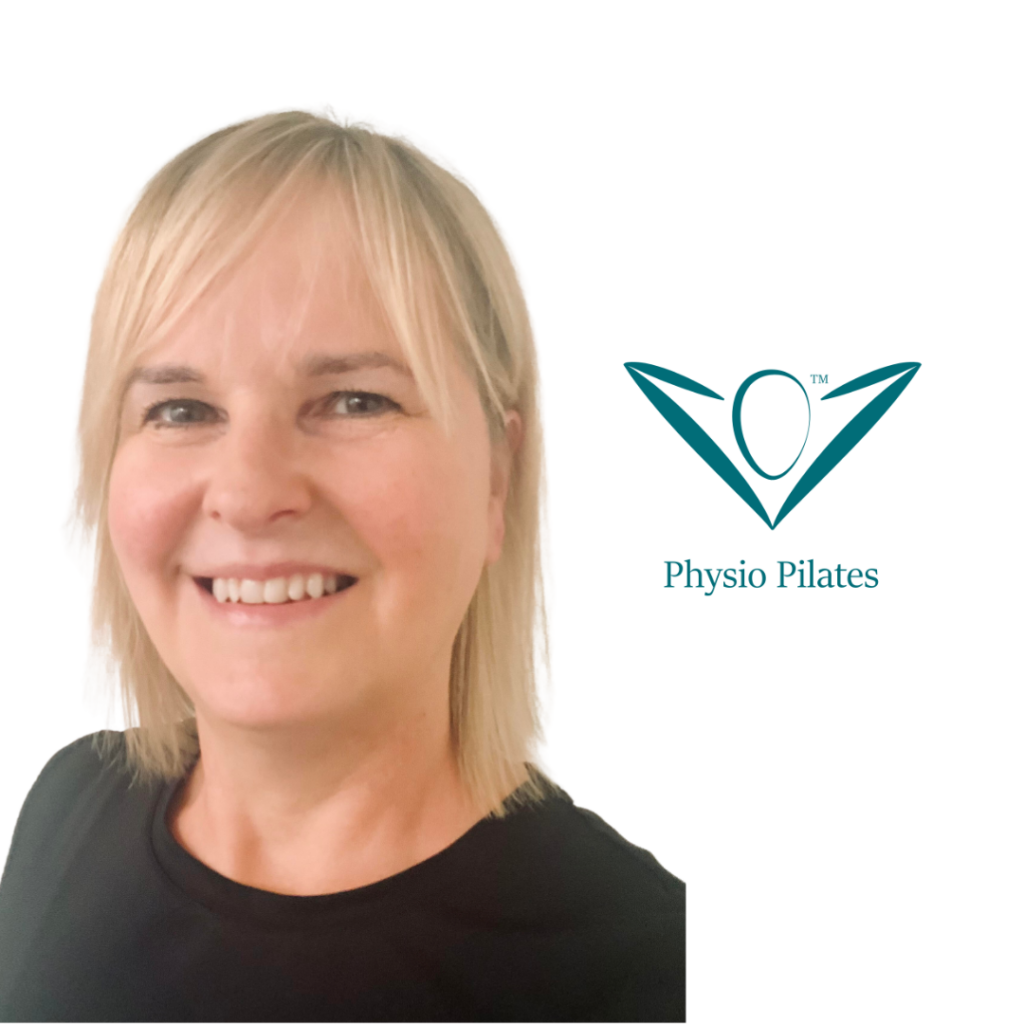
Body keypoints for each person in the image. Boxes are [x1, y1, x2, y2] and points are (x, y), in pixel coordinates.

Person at [0, 111, 685, 1022]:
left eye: (355, 400)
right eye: (180, 410)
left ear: (498, 475)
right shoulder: (69, 805)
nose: (248, 493)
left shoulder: (653, 973)